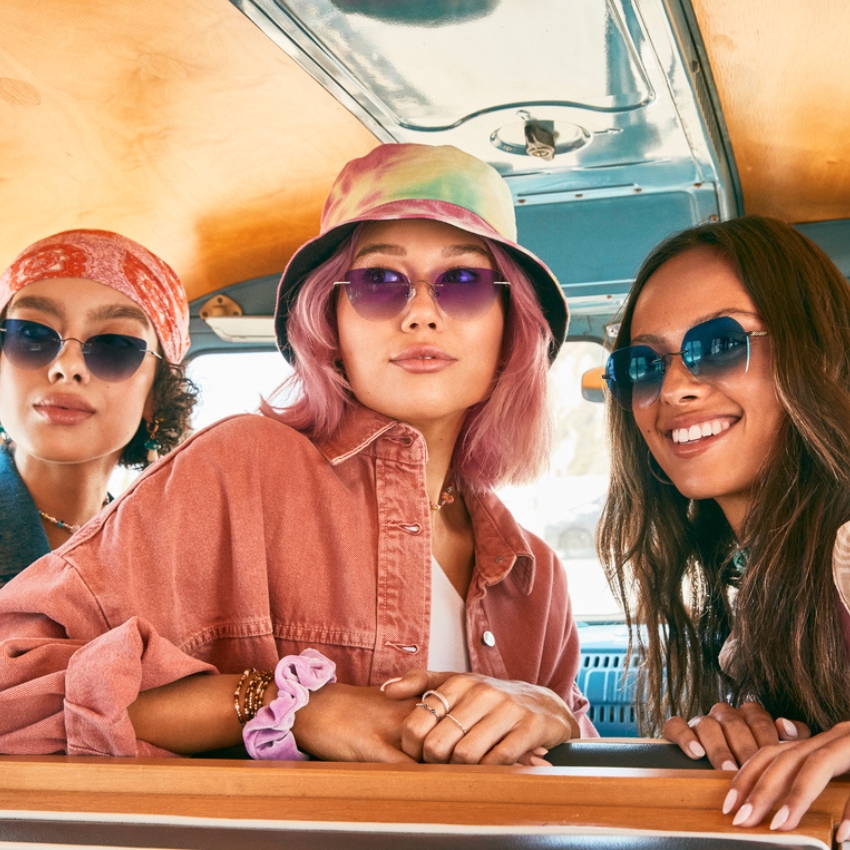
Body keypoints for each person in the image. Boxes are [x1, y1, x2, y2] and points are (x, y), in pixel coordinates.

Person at [0, 143, 595, 764]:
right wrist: (288, 704)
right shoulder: (235, 470)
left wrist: (553, 713)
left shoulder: (534, 574)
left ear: (511, 327)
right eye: (379, 282)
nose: (421, 313)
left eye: (465, 281)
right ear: (329, 323)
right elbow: (12, 695)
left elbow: (579, 778)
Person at [598, 214, 850, 836]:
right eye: (642, 364)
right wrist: (739, 738)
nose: (675, 388)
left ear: (816, 350)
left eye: (719, 344)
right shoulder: (751, 578)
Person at [0, 229, 197, 584]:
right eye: (31, 334)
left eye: (115, 345)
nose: (67, 366)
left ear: (156, 394)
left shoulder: (164, 567)